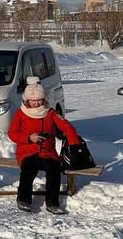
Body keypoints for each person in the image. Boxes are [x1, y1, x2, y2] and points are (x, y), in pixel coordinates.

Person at [7, 79, 81, 214]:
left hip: (48, 152)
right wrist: (29, 137)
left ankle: (52, 203)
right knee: (28, 170)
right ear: (27, 100)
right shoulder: (21, 113)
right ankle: (23, 199)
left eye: (39, 100)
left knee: (54, 170)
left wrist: (74, 144)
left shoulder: (50, 113)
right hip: (27, 152)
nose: (36, 103)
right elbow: (12, 134)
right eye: (33, 101)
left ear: (44, 99)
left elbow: (67, 127)